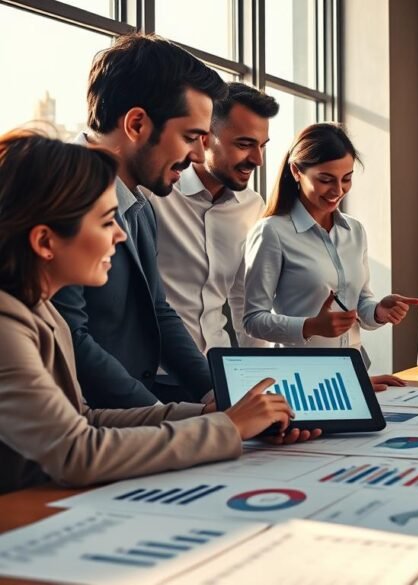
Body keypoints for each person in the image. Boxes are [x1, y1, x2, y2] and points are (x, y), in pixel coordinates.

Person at [0, 131, 318, 494]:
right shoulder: (7, 326)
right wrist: (229, 428)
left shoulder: (42, 313)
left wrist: (216, 415)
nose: (120, 237)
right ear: (44, 242)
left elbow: (84, 419)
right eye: (107, 222)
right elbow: (77, 452)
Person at [52, 33, 227, 407]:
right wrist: (162, 416)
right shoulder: (57, 190)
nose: (199, 155)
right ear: (136, 124)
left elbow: (158, 311)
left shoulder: (140, 205)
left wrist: (218, 396)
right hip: (82, 432)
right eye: (190, 136)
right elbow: (69, 335)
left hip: (130, 425)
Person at [243, 123, 418, 391]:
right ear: (296, 172)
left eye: (346, 178)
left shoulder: (355, 231)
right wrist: (310, 326)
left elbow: (360, 303)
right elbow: (253, 320)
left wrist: (379, 311)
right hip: (300, 380)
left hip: (353, 372)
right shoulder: (272, 232)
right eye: (325, 180)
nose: (338, 190)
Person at [151, 82, 278, 352]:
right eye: (245, 144)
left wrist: (258, 370)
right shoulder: (155, 193)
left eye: (262, 146)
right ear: (204, 137)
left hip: (217, 364)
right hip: (157, 370)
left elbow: (244, 298)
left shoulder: (252, 206)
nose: (258, 160)